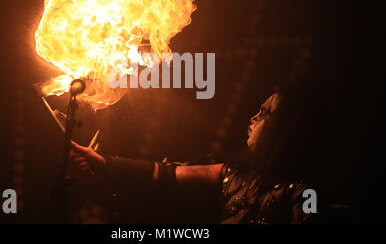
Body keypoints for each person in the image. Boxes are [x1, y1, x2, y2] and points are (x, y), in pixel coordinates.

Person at [70, 74, 323, 223]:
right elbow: (166, 173)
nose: (254, 116)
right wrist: (104, 162)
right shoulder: (235, 176)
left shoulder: (305, 192)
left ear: (286, 129)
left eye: (266, 113)